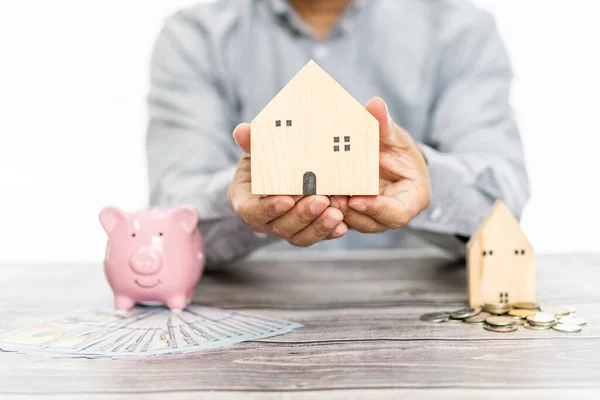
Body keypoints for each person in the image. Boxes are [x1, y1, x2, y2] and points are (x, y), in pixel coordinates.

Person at [146, 0, 530, 268]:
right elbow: (170, 214)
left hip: (415, 314)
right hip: (246, 313)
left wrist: (424, 175)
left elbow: (502, 207)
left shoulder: (460, 29)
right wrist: (244, 194)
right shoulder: (196, 36)